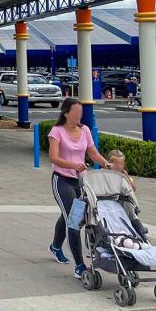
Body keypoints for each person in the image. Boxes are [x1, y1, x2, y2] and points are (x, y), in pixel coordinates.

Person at [47, 97, 109, 280]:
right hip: (62, 180)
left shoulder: (85, 130)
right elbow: (53, 157)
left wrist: (106, 164)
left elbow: (93, 152)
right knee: (73, 220)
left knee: (68, 215)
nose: (79, 117)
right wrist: (72, 165)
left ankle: (55, 246)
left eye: (80, 113)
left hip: (80, 181)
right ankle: (80, 266)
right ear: (66, 113)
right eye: (76, 113)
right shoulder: (56, 132)